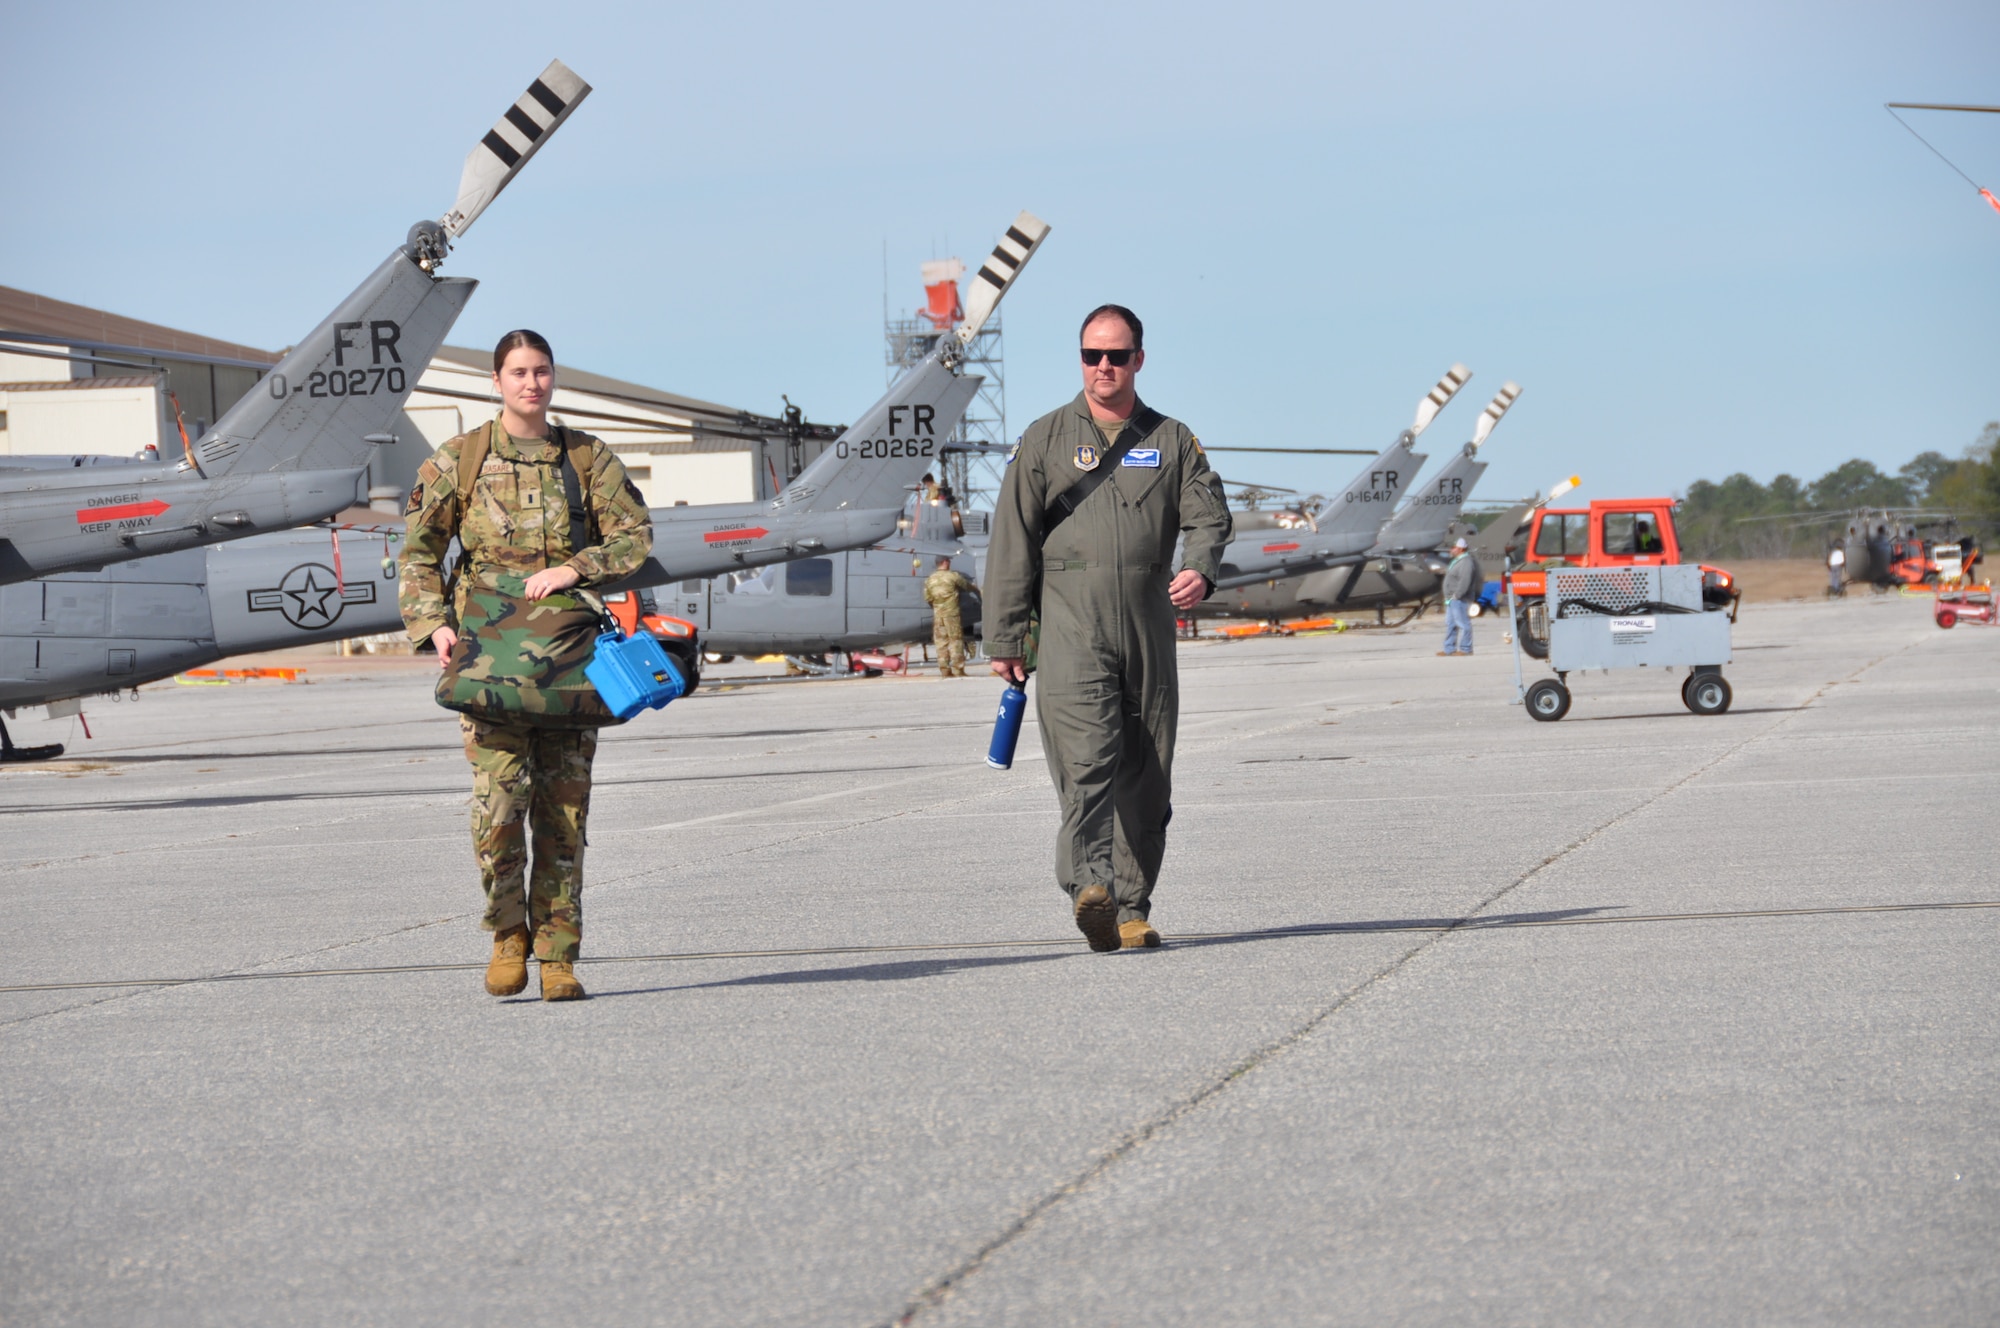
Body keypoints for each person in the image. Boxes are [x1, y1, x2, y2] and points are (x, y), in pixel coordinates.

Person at [400, 330, 654, 1002]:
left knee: (564, 815)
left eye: (541, 371)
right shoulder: (459, 460)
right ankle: (507, 934)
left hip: (569, 663)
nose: (531, 384)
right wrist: (434, 627)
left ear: (552, 379)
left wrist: (576, 566)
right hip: (487, 660)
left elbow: (634, 536)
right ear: (496, 380)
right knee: (499, 808)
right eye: (518, 372)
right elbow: (418, 554)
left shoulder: (587, 459)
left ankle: (560, 956)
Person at [984, 304, 1232, 952]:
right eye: (1092, 355)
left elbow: (1208, 517)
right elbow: (1011, 539)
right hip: (1070, 622)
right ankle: (1091, 891)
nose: (1103, 367)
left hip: (1147, 621)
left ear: (1138, 360)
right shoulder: (1044, 439)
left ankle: (1131, 910)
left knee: (1147, 780)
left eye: (1116, 356)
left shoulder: (1173, 439)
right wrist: (1006, 636)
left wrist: (1201, 568)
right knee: (1089, 762)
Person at [923, 556, 974, 677]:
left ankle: (944, 670)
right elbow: (967, 586)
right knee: (955, 641)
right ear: (945, 562)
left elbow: (928, 598)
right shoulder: (953, 576)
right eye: (949, 561)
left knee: (941, 643)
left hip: (938, 615)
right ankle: (958, 670)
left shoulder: (930, 579)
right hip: (952, 615)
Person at [1439, 537, 1480, 655]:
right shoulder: (1457, 561)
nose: (1451, 550)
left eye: (1454, 547)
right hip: (1451, 599)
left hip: (1460, 599)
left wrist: (1458, 595)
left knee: (1463, 623)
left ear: (1461, 549)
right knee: (1451, 624)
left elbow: (1464, 580)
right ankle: (1449, 648)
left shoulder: (1466, 562)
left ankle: (1466, 649)